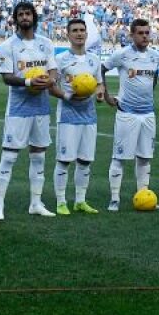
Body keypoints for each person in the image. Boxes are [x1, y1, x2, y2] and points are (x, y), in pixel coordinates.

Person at [0, 1, 58, 220]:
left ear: (34, 17)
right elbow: (6, 77)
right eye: (20, 14)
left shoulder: (46, 43)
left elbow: (54, 71)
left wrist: (49, 82)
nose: (24, 17)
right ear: (15, 18)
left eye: (28, 14)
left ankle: (36, 203)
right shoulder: (8, 45)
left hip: (41, 109)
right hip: (18, 109)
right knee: (9, 156)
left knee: (39, 157)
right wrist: (30, 82)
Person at [103, 18, 159, 210]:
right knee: (119, 157)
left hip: (148, 114)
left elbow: (153, 79)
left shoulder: (155, 56)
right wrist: (105, 95)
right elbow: (101, 69)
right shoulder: (122, 55)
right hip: (126, 113)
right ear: (132, 35)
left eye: (147, 32)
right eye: (140, 33)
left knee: (145, 157)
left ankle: (143, 195)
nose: (145, 36)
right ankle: (114, 198)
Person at [50, 19, 104, 215]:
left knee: (85, 160)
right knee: (64, 160)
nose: (79, 33)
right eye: (75, 30)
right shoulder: (61, 59)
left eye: (82, 30)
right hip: (67, 116)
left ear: (86, 34)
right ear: (68, 34)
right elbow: (52, 85)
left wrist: (99, 93)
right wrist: (65, 95)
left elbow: (99, 84)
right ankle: (61, 201)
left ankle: (80, 200)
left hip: (89, 116)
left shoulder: (94, 60)